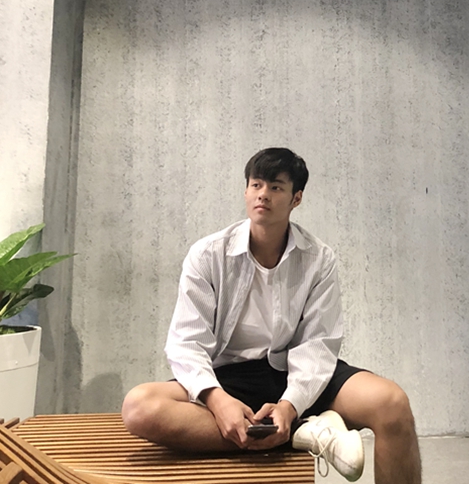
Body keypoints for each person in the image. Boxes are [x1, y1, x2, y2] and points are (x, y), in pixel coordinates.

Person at [122, 148, 422, 484]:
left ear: (296, 199)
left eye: (276, 187)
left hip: (294, 371)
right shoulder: (207, 255)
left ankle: (290, 424)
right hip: (229, 377)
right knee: (139, 407)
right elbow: (186, 343)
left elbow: (318, 343)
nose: (263, 194)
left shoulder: (318, 258)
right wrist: (218, 401)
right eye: (256, 185)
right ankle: (301, 433)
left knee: (392, 404)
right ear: (246, 191)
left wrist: (291, 405)